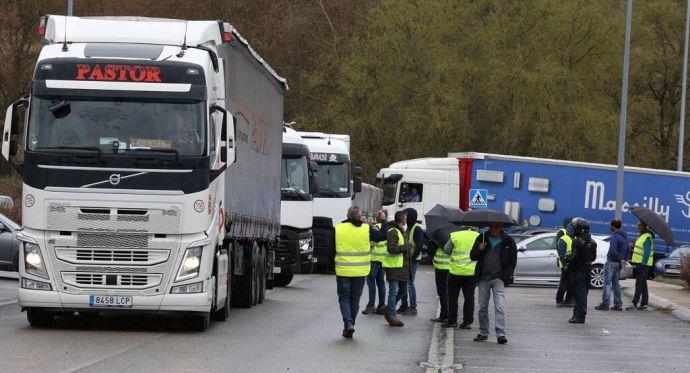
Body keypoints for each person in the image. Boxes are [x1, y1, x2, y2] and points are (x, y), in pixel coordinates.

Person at [334, 206, 387, 338]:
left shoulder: (338, 228)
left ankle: (348, 324)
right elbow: (383, 236)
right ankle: (351, 324)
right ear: (359, 217)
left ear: (347, 216)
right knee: (355, 299)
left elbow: (330, 249)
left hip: (343, 271)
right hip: (360, 271)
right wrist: (383, 220)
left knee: (344, 299)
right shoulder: (367, 228)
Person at [470, 222, 517, 345]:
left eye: (496, 226)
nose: (494, 229)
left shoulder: (508, 241)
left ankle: (501, 334)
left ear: (500, 227)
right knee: (482, 307)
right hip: (483, 278)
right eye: (492, 226)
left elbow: (512, 261)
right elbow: (472, 256)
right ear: (489, 227)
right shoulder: (481, 238)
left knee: (500, 306)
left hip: (498, 279)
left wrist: (504, 276)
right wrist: (479, 249)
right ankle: (483, 332)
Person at [443, 228, 480, 329]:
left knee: (452, 297)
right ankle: (467, 321)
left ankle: (452, 321)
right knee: (469, 297)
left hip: (455, 272)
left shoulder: (455, 235)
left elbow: (447, 250)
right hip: (471, 272)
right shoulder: (478, 235)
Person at [382, 210, 412, 327]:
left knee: (403, 290)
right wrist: (406, 247)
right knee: (393, 292)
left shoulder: (402, 231)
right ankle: (393, 316)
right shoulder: (393, 231)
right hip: (394, 267)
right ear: (403, 220)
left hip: (402, 267)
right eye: (406, 219)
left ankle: (389, 308)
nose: (406, 221)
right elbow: (391, 249)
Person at [566, 219, 597, 323]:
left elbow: (573, 257)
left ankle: (579, 316)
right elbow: (594, 258)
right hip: (587, 270)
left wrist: (567, 257)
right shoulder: (593, 242)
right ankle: (577, 315)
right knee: (583, 293)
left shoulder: (576, 242)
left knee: (578, 294)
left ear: (580, 230)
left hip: (578, 271)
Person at [595, 219, 628, 311]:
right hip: (619, 264)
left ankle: (605, 304)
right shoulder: (625, 237)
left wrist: (620, 259)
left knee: (607, 283)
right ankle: (618, 305)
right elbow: (628, 250)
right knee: (616, 284)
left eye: (611, 225)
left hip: (611, 262)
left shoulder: (615, 237)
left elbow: (613, 250)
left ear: (613, 226)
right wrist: (624, 260)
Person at [397, 208, 423, 316]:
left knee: (410, 284)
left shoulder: (417, 229)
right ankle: (404, 306)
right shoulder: (408, 228)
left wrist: (411, 259)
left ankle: (413, 308)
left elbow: (419, 247)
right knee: (403, 283)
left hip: (412, 260)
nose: (405, 218)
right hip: (406, 260)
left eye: (406, 215)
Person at [362, 211, 389, 315]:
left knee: (371, 282)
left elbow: (374, 240)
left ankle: (371, 305)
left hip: (373, 258)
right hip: (383, 259)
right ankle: (381, 306)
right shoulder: (387, 227)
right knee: (381, 283)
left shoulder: (375, 227)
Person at [627, 220, 654, 311]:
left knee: (638, 283)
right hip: (640, 263)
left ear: (643, 226)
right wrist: (633, 245)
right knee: (642, 283)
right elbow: (640, 248)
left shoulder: (647, 237)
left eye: (639, 225)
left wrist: (643, 263)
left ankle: (634, 303)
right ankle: (644, 303)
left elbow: (647, 252)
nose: (637, 226)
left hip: (643, 264)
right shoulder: (642, 236)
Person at [429, 239, 451, 323]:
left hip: (441, 268)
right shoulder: (452, 237)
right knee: (446, 292)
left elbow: (430, 250)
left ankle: (444, 315)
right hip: (449, 267)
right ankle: (446, 314)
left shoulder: (438, 238)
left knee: (443, 293)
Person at [555, 218, 574, 307]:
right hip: (565, 262)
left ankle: (568, 300)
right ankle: (559, 299)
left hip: (572, 262)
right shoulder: (562, 233)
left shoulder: (574, 234)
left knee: (570, 282)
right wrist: (564, 263)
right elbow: (559, 248)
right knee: (564, 282)